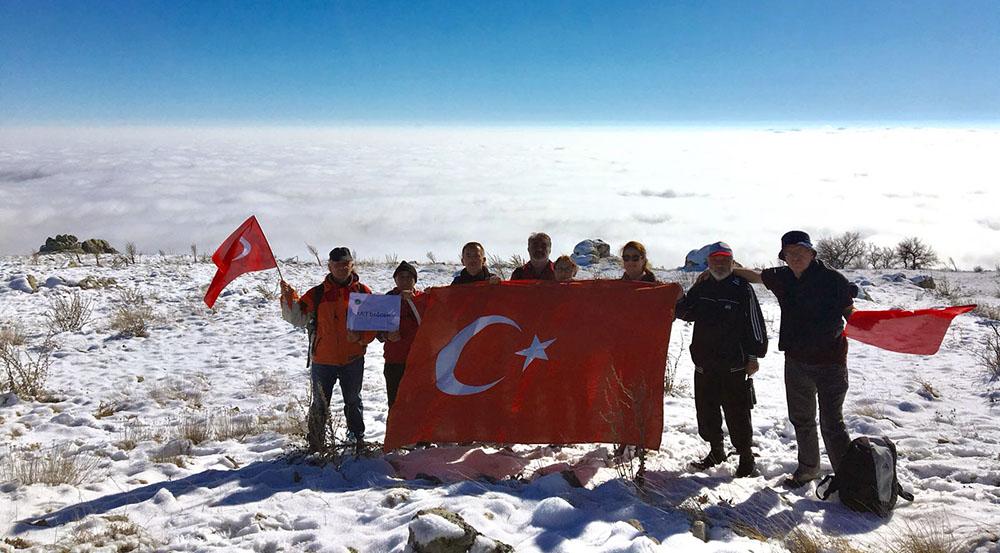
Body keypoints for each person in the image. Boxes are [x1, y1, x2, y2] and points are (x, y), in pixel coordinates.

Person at [729, 230, 857, 488]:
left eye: (802, 252)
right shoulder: (782, 277)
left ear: (812, 253)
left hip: (831, 362)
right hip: (796, 362)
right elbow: (756, 275)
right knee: (802, 419)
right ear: (784, 257)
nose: (797, 257)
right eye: (791, 253)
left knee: (832, 423)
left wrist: (870, 324)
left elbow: (849, 310)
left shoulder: (833, 280)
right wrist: (729, 269)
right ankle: (809, 469)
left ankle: (848, 478)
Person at [675, 242, 768, 478]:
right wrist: (681, 297)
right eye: (715, 259)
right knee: (707, 412)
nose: (719, 263)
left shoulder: (741, 287)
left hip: (734, 364)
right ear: (708, 262)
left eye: (724, 259)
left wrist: (754, 355)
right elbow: (686, 313)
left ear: (732, 262)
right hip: (705, 363)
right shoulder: (703, 285)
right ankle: (716, 450)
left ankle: (746, 457)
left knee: (738, 413)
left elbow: (755, 323)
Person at [280, 247, 376, 452]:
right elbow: (297, 318)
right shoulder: (317, 294)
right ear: (329, 266)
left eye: (345, 264)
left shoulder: (362, 292)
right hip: (323, 359)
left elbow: (374, 326)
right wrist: (288, 299)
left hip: (353, 358)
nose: (342, 268)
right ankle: (316, 442)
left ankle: (356, 437)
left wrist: (360, 338)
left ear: (352, 265)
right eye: (337, 264)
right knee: (320, 404)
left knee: (353, 400)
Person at [378, 261, 423, 408]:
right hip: (395, 361)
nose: (404, 280)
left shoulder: (423, 299)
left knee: (419, 404)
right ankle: (396, 432)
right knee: (396, 404)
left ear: (414, 280)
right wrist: (386, 335)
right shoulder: (387, 300)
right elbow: (375, 329)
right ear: (395, 280)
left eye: (409, 277)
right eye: (401, 277)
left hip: (420, 361)